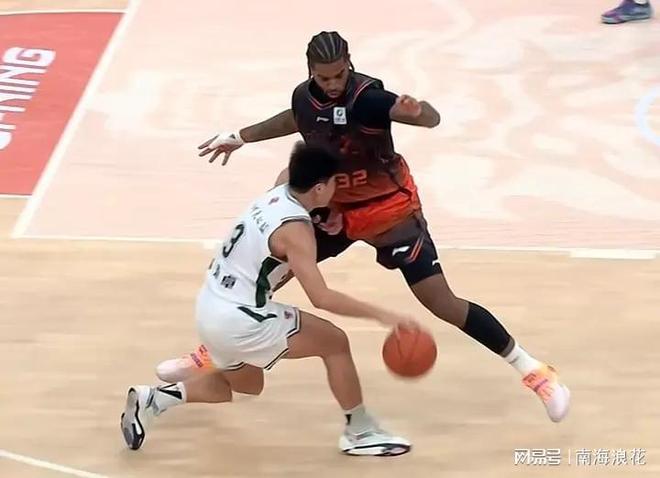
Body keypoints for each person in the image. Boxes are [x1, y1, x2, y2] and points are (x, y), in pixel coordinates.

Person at [159, 31, 570, 423]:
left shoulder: (369, 99)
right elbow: (296, 118)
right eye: (324, 77)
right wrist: (240, 136)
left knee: (441, 302)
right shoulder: (304, 96)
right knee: (267, 276)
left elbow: (430, 119)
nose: (333, 84)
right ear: (310, 72)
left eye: (339, 74)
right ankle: (214, 353)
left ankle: (534, 371)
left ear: (350, 64)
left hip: (389, 212)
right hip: (333, 207)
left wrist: (418, 111)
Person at [121, 143, 418, 456]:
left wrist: (329, 212)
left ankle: (153, 399)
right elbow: (321, 297)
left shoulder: (281, 185)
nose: (337, 189)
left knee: (246, 387)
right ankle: (360, 431)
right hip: (241, 319)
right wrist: (385, 316)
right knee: (335, 343)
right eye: (334, 183)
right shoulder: (296, 231)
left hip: (209, 305)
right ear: (319, 188)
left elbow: (296, 182)